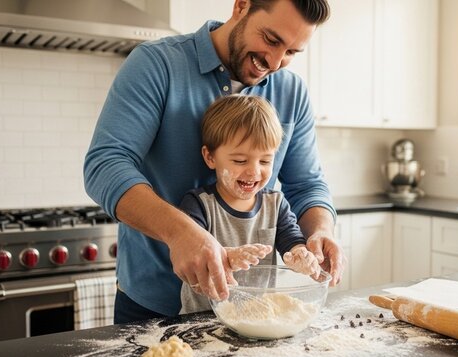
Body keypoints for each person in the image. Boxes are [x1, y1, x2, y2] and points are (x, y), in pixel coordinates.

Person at [84, 0, 344, 323]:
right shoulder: (157, 65)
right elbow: (105, 165)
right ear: (242, 5)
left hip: (251, 311)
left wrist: (321, 230)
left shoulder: (292, 93)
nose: (276, 62)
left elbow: (306, 185)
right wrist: (180, 233)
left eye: (291, 52)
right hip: (153, 306)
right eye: (272, 40)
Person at [179, 94, 322, 314]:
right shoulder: (198, 205)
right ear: (210, 157)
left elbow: (291, 239)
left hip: (256, 319)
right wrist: (228, 258)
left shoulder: (275, 203)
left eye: (265, 161)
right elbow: (192, 254)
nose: (254, 171)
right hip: (202, 320)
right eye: (240, 161)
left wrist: (300, 254)